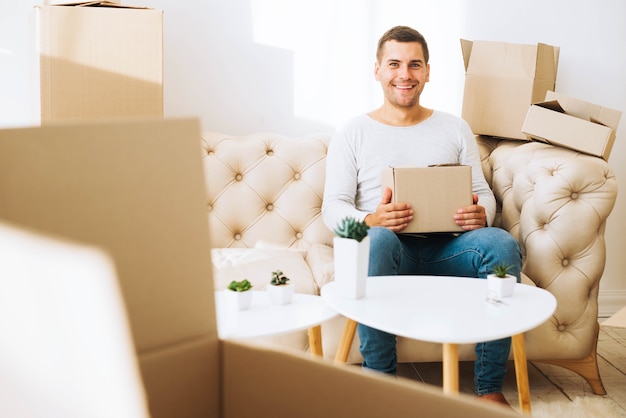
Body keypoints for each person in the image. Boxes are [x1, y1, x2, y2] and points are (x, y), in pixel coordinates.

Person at [322, 25, 522, 406]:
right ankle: (382, 384)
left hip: (449, 248)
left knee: (501, 243)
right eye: (394, 64)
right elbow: (332, 208)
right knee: (376, 240)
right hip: (388, 251)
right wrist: (372, 220)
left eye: (415, 65)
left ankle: (489, 388)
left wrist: (481, 213)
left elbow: (482, 193)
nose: (405, 74)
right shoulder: (353, 132)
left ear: (428, 72)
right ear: (377, 70)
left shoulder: (454, 127)